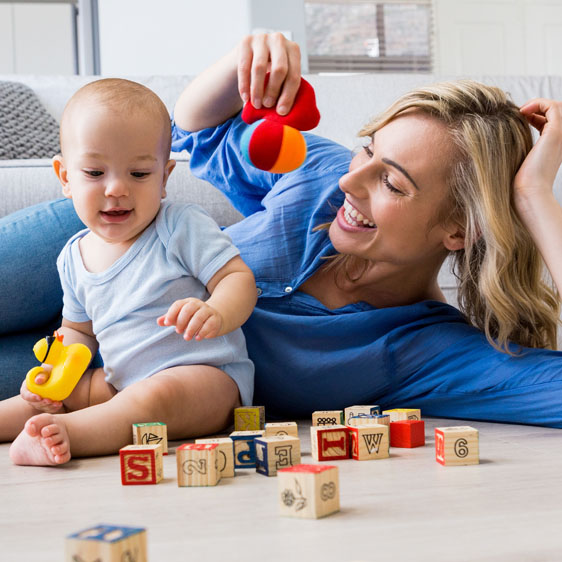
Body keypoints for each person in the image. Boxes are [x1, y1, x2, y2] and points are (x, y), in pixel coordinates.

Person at [1, 34, 562, 432]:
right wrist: (244, 59)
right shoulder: (319, 174)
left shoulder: (427, 352)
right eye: (368, 149)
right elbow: (197, 132)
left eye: (391, 182)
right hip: (88, 261)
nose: (350, 179)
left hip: (110, 384)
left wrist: (535, 199)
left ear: (458, 229)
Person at [0, 78, 257, 466]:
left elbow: (238, 279)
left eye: (138, 174)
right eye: (94, 173)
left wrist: (218, 311)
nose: (117, 188)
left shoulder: (180, 225)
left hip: (205, 379)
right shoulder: (72, 255)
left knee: (154, 398)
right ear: (66, 178)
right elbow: (79, 332)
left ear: (165, 178)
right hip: (119, 382)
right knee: (53, 397)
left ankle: (74, 434)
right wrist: (54, 374)